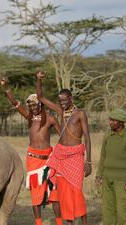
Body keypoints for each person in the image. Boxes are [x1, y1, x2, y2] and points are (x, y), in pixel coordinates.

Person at [0, 77, 62, 225]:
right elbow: (15, 103)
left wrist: (64, 154)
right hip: (33, 160)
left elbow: (63, 136)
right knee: (36, 194)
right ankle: (38, 223)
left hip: (49, 159)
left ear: (41, 105)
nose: (33, 108)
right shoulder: (29, 118)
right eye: (31, 106)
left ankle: (60, 223)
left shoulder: (50, 119)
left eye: (35, 105)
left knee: (54, 194)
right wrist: (6, 87)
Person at [36, 71, 92, 225]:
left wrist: (89, 162)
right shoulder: (61, 112)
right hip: (61, 155)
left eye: (65, 100)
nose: (62, 103)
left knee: (76, 192)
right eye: (60, 100)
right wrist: (38, 80)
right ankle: (69, 223)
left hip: (75, 157)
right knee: (63, 193)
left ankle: (84, 222)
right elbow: (40, 97)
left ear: (71, 98)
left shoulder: (80, 114)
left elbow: (87, 137)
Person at [95, 108, 126, 225]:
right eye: (110, 120)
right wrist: (99, 175)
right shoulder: (108, 134)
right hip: (107, 178)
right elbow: (103, 156)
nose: (110, 122)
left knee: (121, 211)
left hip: (122, 180)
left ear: (121, 122)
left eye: (113, 120)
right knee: (108, 210)